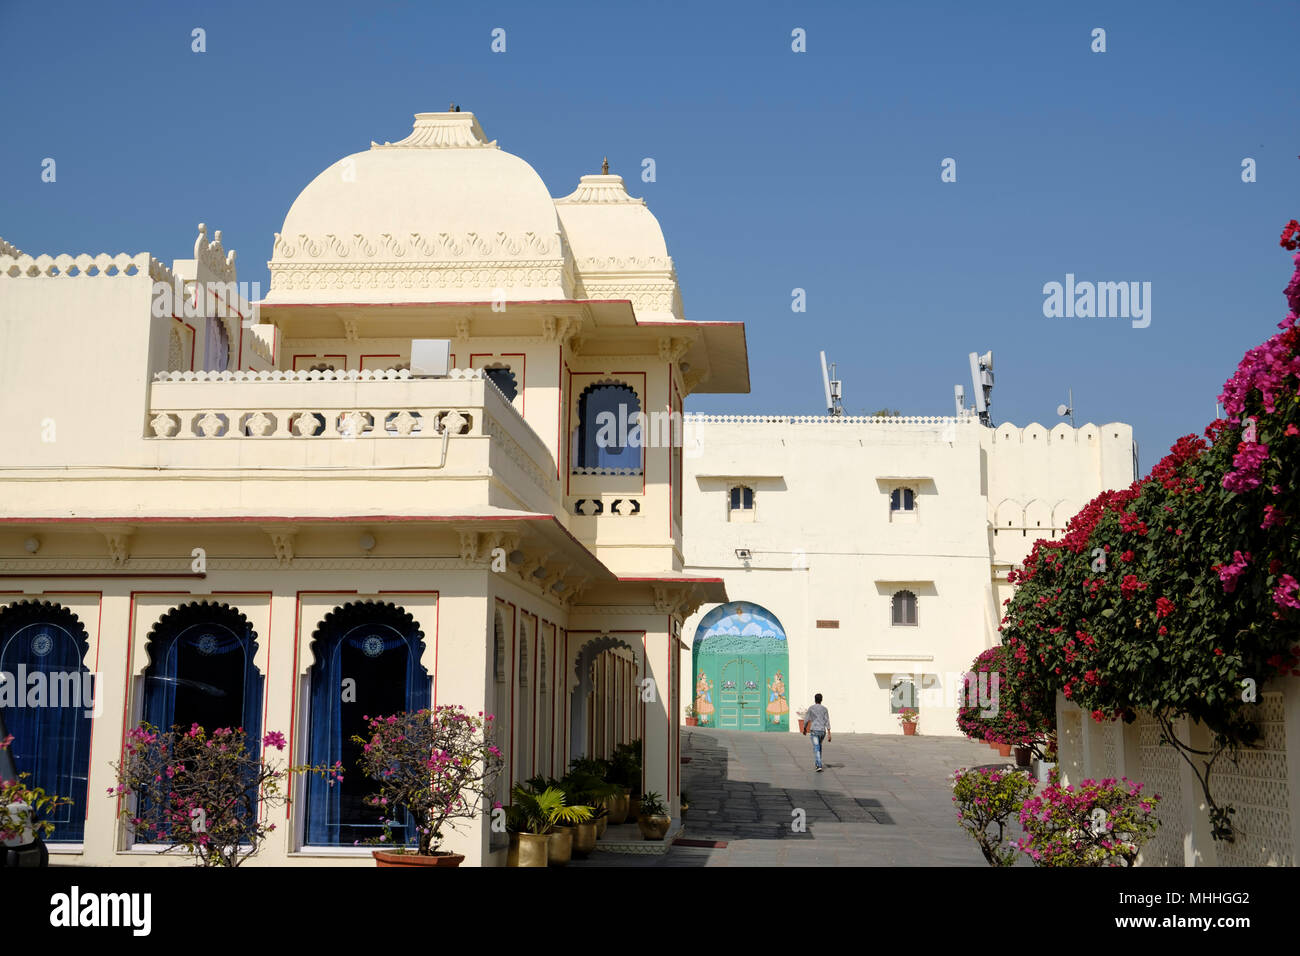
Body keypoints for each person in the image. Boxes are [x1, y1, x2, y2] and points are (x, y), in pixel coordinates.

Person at [804, 693, 831, 771]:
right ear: (821, 700)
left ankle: (819, 765)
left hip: (814, 731)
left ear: (814, 699)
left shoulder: (811, 708)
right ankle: (817, 763)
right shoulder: (825, 709)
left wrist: (805, 728)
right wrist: (829, 733)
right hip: (822, 731)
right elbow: (827, 721)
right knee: (819, 746)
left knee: (816, 747)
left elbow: (806, 720)